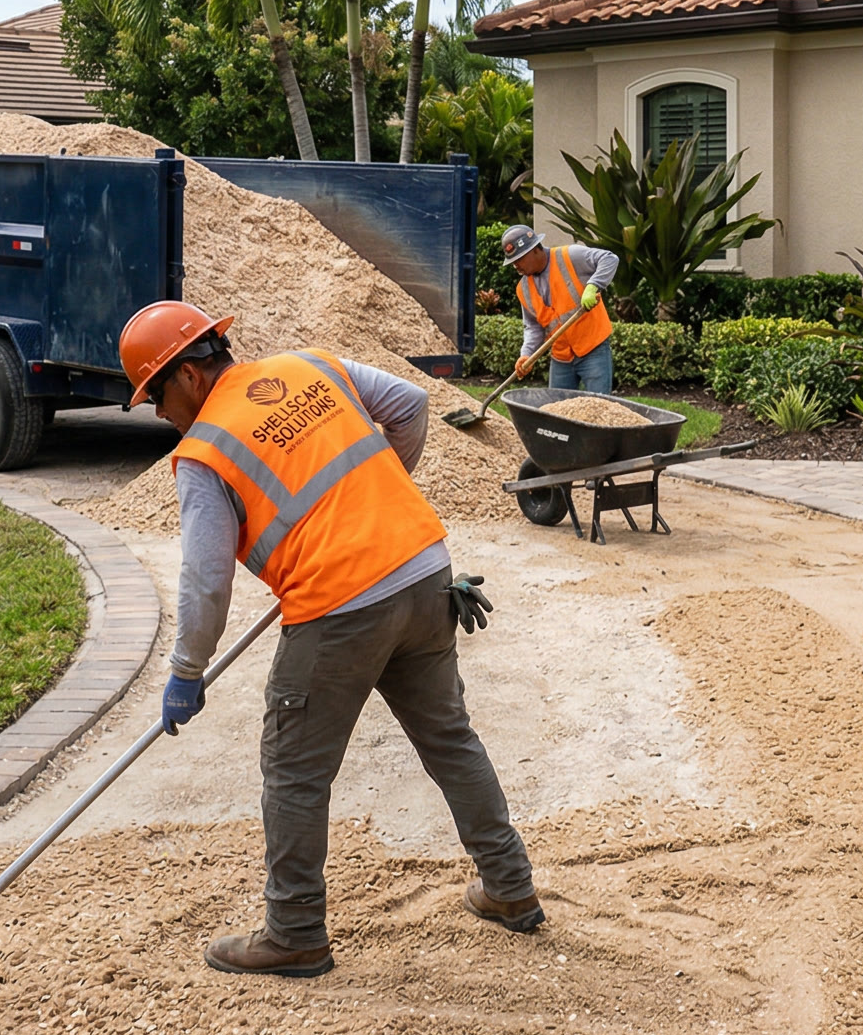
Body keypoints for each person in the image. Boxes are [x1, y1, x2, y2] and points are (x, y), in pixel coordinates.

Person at [118, 300, 543, 977]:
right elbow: (409, 404)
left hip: (340, 603)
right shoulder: (308, 365)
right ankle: (510, 887)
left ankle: (293, 932)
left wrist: (186, 671)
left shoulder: (203, 455)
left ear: (190, 377)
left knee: (294, 770)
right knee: (450, 738)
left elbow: (205, 583)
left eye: (156, 397)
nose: (160, 414)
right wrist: (374, 504)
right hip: (425, 568)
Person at [501, 223, 618, 393]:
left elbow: (609, 258)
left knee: (599, 407)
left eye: (519, 259)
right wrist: (526, 354)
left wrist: (593, 285)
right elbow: (533, 327)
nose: (516, 265)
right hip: (561, 358)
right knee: (556, 410)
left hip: (593, 349)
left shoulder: (570, 256)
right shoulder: (523, 289)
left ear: (535, 249)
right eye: (512, 261)